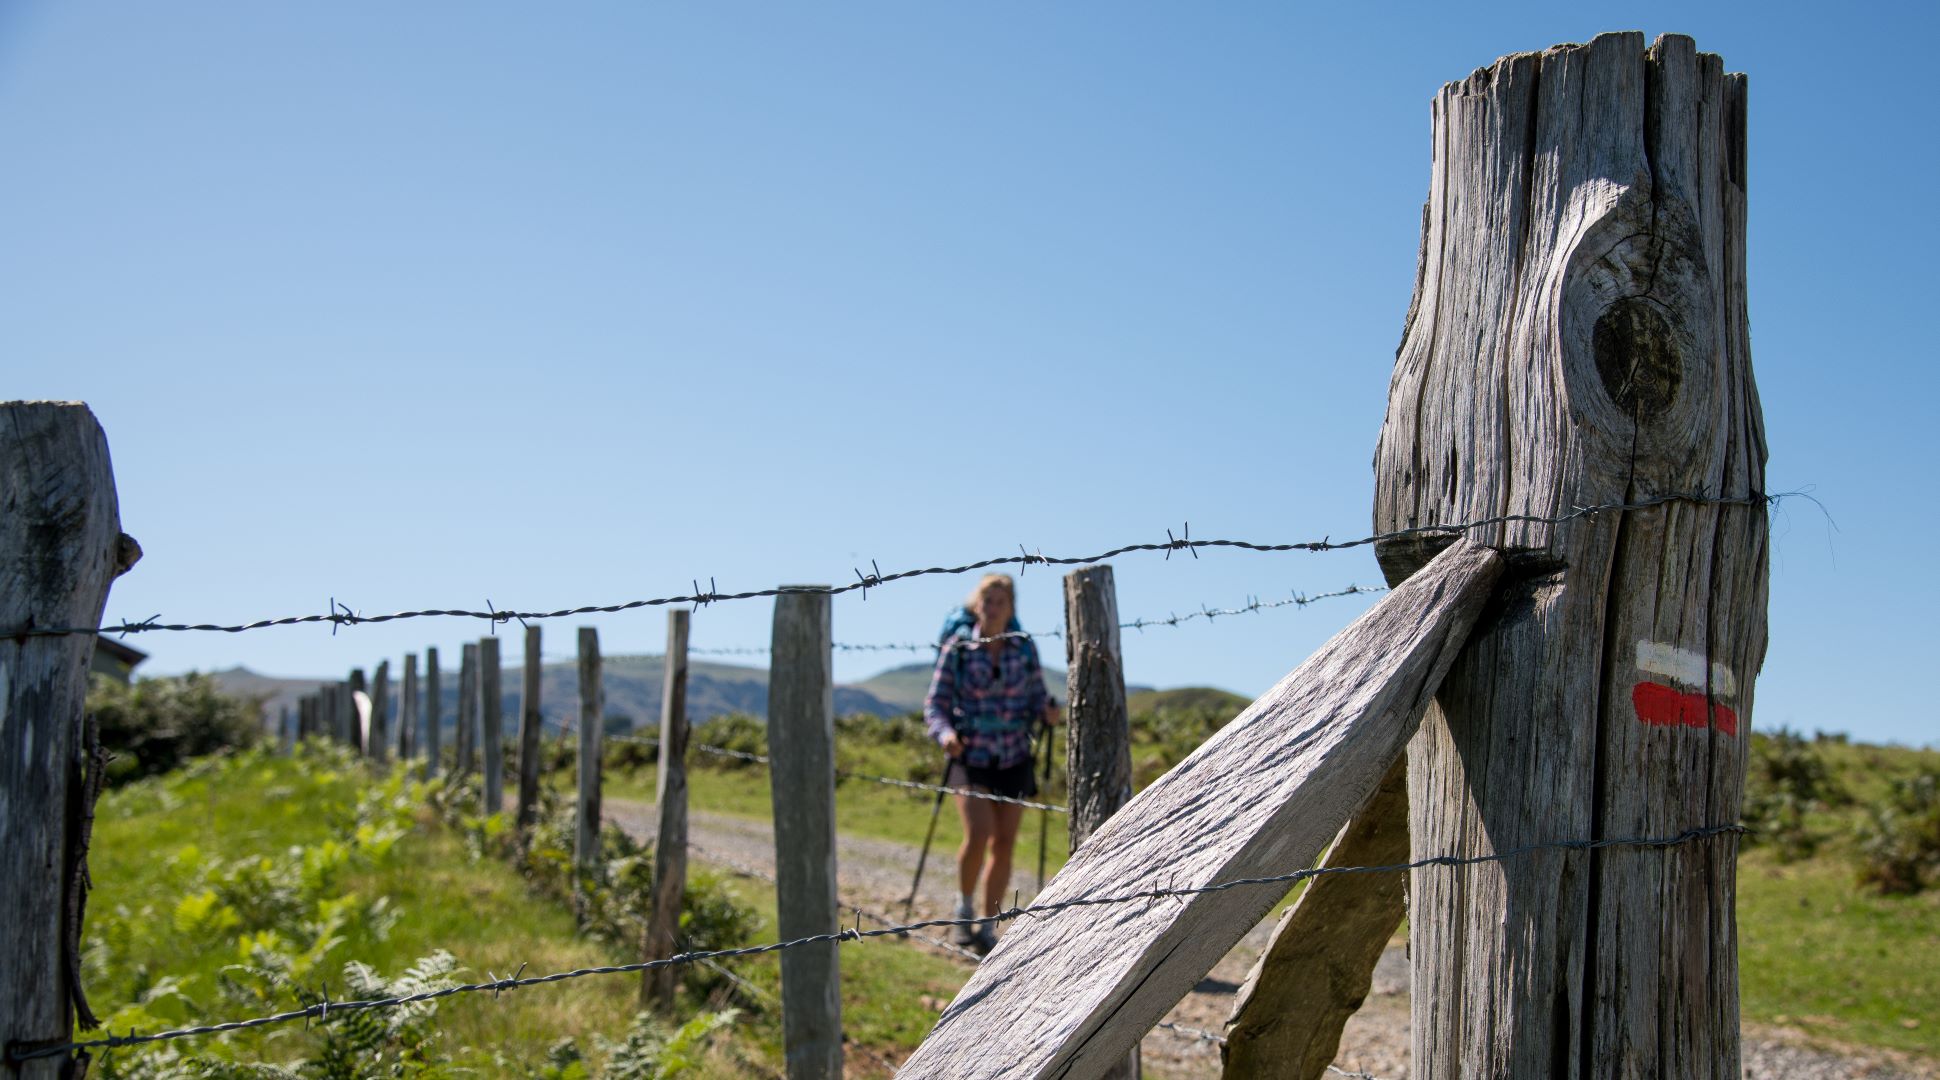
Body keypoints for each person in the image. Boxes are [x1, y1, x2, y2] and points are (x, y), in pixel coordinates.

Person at [923, 573, 1059, 955]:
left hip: (1014, 754)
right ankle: (964, 910)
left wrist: (1047, 711)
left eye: (1000, 602)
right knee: (979, 832)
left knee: (1005, 842)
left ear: (1011, 607)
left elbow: (1036, 695)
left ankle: (986, 926)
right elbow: (935, 704)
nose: (993, 608)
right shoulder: (959, 648)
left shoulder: (1023, 648)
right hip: (970, 753)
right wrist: (945, 734)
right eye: (987, 601)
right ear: (976, 605)